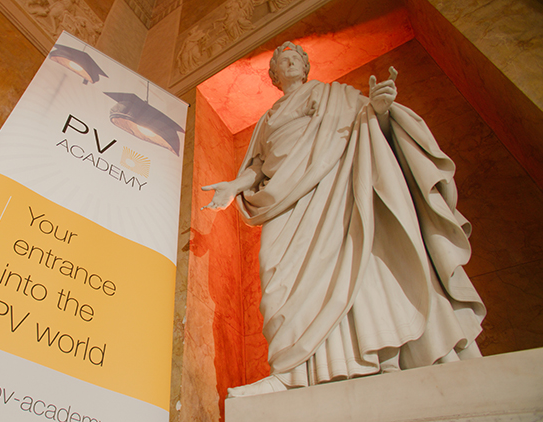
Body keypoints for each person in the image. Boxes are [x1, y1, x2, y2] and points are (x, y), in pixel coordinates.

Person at [202, 41, 485, 397]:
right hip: (282, 202)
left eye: (295, 58)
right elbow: (258, 166)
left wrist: (379, 110)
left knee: (351, 270)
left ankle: (356, 362)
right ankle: (289, 370)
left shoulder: (334, 96)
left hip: (330, 188)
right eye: (282, 62)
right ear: (273, 76)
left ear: (305, 66)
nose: (289, 64)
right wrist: (233, 186)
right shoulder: (268, 119)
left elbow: (368, 127)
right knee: (276, 278)